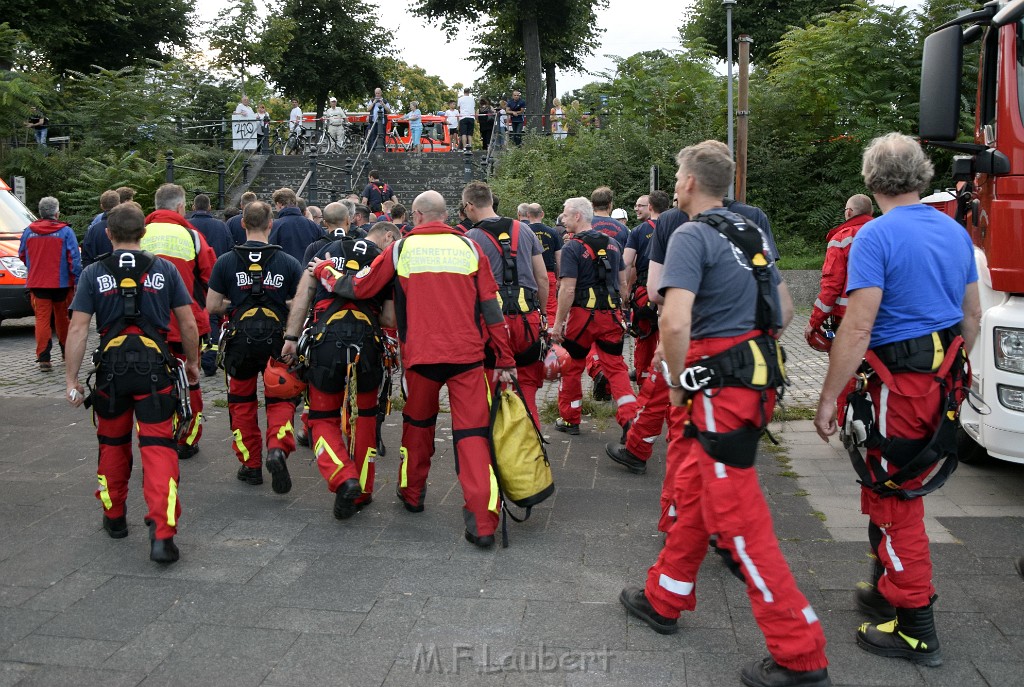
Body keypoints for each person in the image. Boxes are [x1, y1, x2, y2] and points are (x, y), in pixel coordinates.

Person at [619, 140, 829, 687]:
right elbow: (782, 309)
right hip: (756, 384)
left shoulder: (689, 234)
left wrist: (683, 384)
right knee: (694, 488)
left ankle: (800, 654)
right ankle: (665, 595)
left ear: (686, 183)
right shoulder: (750, 232)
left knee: (738, 523)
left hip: (715, 393)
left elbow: (674, 321)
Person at [814, 133, 981, 668]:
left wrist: (828, 397)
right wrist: (950, 370)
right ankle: (886, 585)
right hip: (941, 379)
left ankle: (915, 628)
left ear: (871, 180)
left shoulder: (874, 236)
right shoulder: (955, 232)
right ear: (922, 174)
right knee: (896, 485)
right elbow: (971, 316)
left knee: (894, 497)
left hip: (898, 385)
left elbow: (858, 325)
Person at [323, 190, 516, 547]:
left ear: (416, 214)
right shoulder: (470, 248)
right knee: (473, 436)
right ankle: (483, 522)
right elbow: (492, 309)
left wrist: (327, 273)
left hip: (422, 358)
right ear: (445, 215)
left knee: (418, 425)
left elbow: (363, 286)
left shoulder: (401, 249)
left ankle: (413, 494)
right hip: (468, 358)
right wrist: (504, 359)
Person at [65, 203, 199, 564]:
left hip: (111, 374)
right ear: (143, 233)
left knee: (112, 444)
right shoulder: (165, 269)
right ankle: (162, 534)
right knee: (158, 449)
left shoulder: (94, 272)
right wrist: (193, 365)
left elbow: (78, 328)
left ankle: (114, 517)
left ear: (108, 234)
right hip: (156, 373)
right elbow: (187, 324)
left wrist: (72, 379)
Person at [282, 221, 399, 519]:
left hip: (326, 342)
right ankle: (362, 490)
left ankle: (341, 476)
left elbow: (302, 299)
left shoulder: (325, 252)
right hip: (368, 344)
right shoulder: (384, 262)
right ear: (388, 237)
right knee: (367, 418)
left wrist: (291, 339)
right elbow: (388, 319)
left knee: (322, 418)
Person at [207, 200, 303, 493]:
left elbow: (212, 306)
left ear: (243, 224)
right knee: (281, 398)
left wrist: (235, 303)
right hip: (277, 340)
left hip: (239, 341)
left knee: (241, 403)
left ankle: (250, 465)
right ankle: (277, 448)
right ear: (270, 225)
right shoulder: (288, 262)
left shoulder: (225, 261)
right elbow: (300, 304)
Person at [142, 183, 217, 460]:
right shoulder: (192, 236)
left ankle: (157, 435)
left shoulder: (139, 234)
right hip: (185, 321)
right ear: (180, 207)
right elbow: (210, 276)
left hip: (146, 325)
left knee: (151, 383)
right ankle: (187, 438)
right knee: (190, 380)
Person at [552, 196, 637, 435]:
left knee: (572, 367)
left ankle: (570, 418)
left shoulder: (572, 247)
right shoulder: (612, 244)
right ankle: (630, 419)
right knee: (617, 369)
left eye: (566, 214)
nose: (563, 218)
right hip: (610, 316)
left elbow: (568, 289)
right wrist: (621, 311)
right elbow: (622, 285)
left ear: (577, 216)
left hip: (582, 318)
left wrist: (558, 323)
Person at [465, 183, 548, 422]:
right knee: (528, 386)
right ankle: (532, 448)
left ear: (470, 206)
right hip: (527, 320)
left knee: (490, 387)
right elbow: (542, 277)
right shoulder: (525, 230)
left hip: (491, 323)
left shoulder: (471, 238)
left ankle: (493, 447)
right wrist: (543, 314)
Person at [18, 196, 82, 371]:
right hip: (62, 283)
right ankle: (66, 354)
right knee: (63, 319)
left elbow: (22, 255)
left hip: (38, 283)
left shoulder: (28, 231)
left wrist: (34, 267)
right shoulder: (65, 232)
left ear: (40, 212)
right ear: (56, 212)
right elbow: (74, 259)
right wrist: (76, 280)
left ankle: (44, 358)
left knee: (41, 320)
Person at [805, 194, 874, 348]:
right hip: (884, 317)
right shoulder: (886, 234)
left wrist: (814, 322)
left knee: (849, 367)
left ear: (848, 212)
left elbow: (832, 285)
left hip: (849, 319)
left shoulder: (841, 239)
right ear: (871, 213)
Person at [623, 191, 670, 385]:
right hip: (674, 291)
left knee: (645, 336)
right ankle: (669, 381)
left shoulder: (639, 231)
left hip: (646, 291)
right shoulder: (678, 228)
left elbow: (626, 262)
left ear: (650, 207)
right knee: (672, 335)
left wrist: (625, 290)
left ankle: (645, 381)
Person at [522, 203, 561, 324]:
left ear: (528, 215)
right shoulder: (552, 232)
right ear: (542, 214)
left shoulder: (524, 232)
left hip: (528, 276)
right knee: (550, 308)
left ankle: (533, 331)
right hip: (548, 274)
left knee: (528, 306)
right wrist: (559, 277)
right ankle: (550, 336)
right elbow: (559, 256)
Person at [268, 187, 325, 264]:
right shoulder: (314, 226)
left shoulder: (274, 226)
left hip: (283, 271)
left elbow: (270, 252)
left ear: (279, 204)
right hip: (308, 270)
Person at [82, 190, 120, 267]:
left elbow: (86, 256)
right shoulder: (126, 226)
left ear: (101, 206)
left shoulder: (93, 230)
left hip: (98, 274)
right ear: (119, 204)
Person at [366, 87, 391, 152]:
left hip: (382, 122)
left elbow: (389, 111)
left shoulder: (385, 101)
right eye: (376, 93)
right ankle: (373, 150)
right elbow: (368, 109)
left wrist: (383, 104)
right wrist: (373, 102)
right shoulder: (372, 100)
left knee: (382, 136)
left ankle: (382, 150)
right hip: (373, 121)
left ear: (381, 93)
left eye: (378, 93)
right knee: (373, 136)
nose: (377, 95)